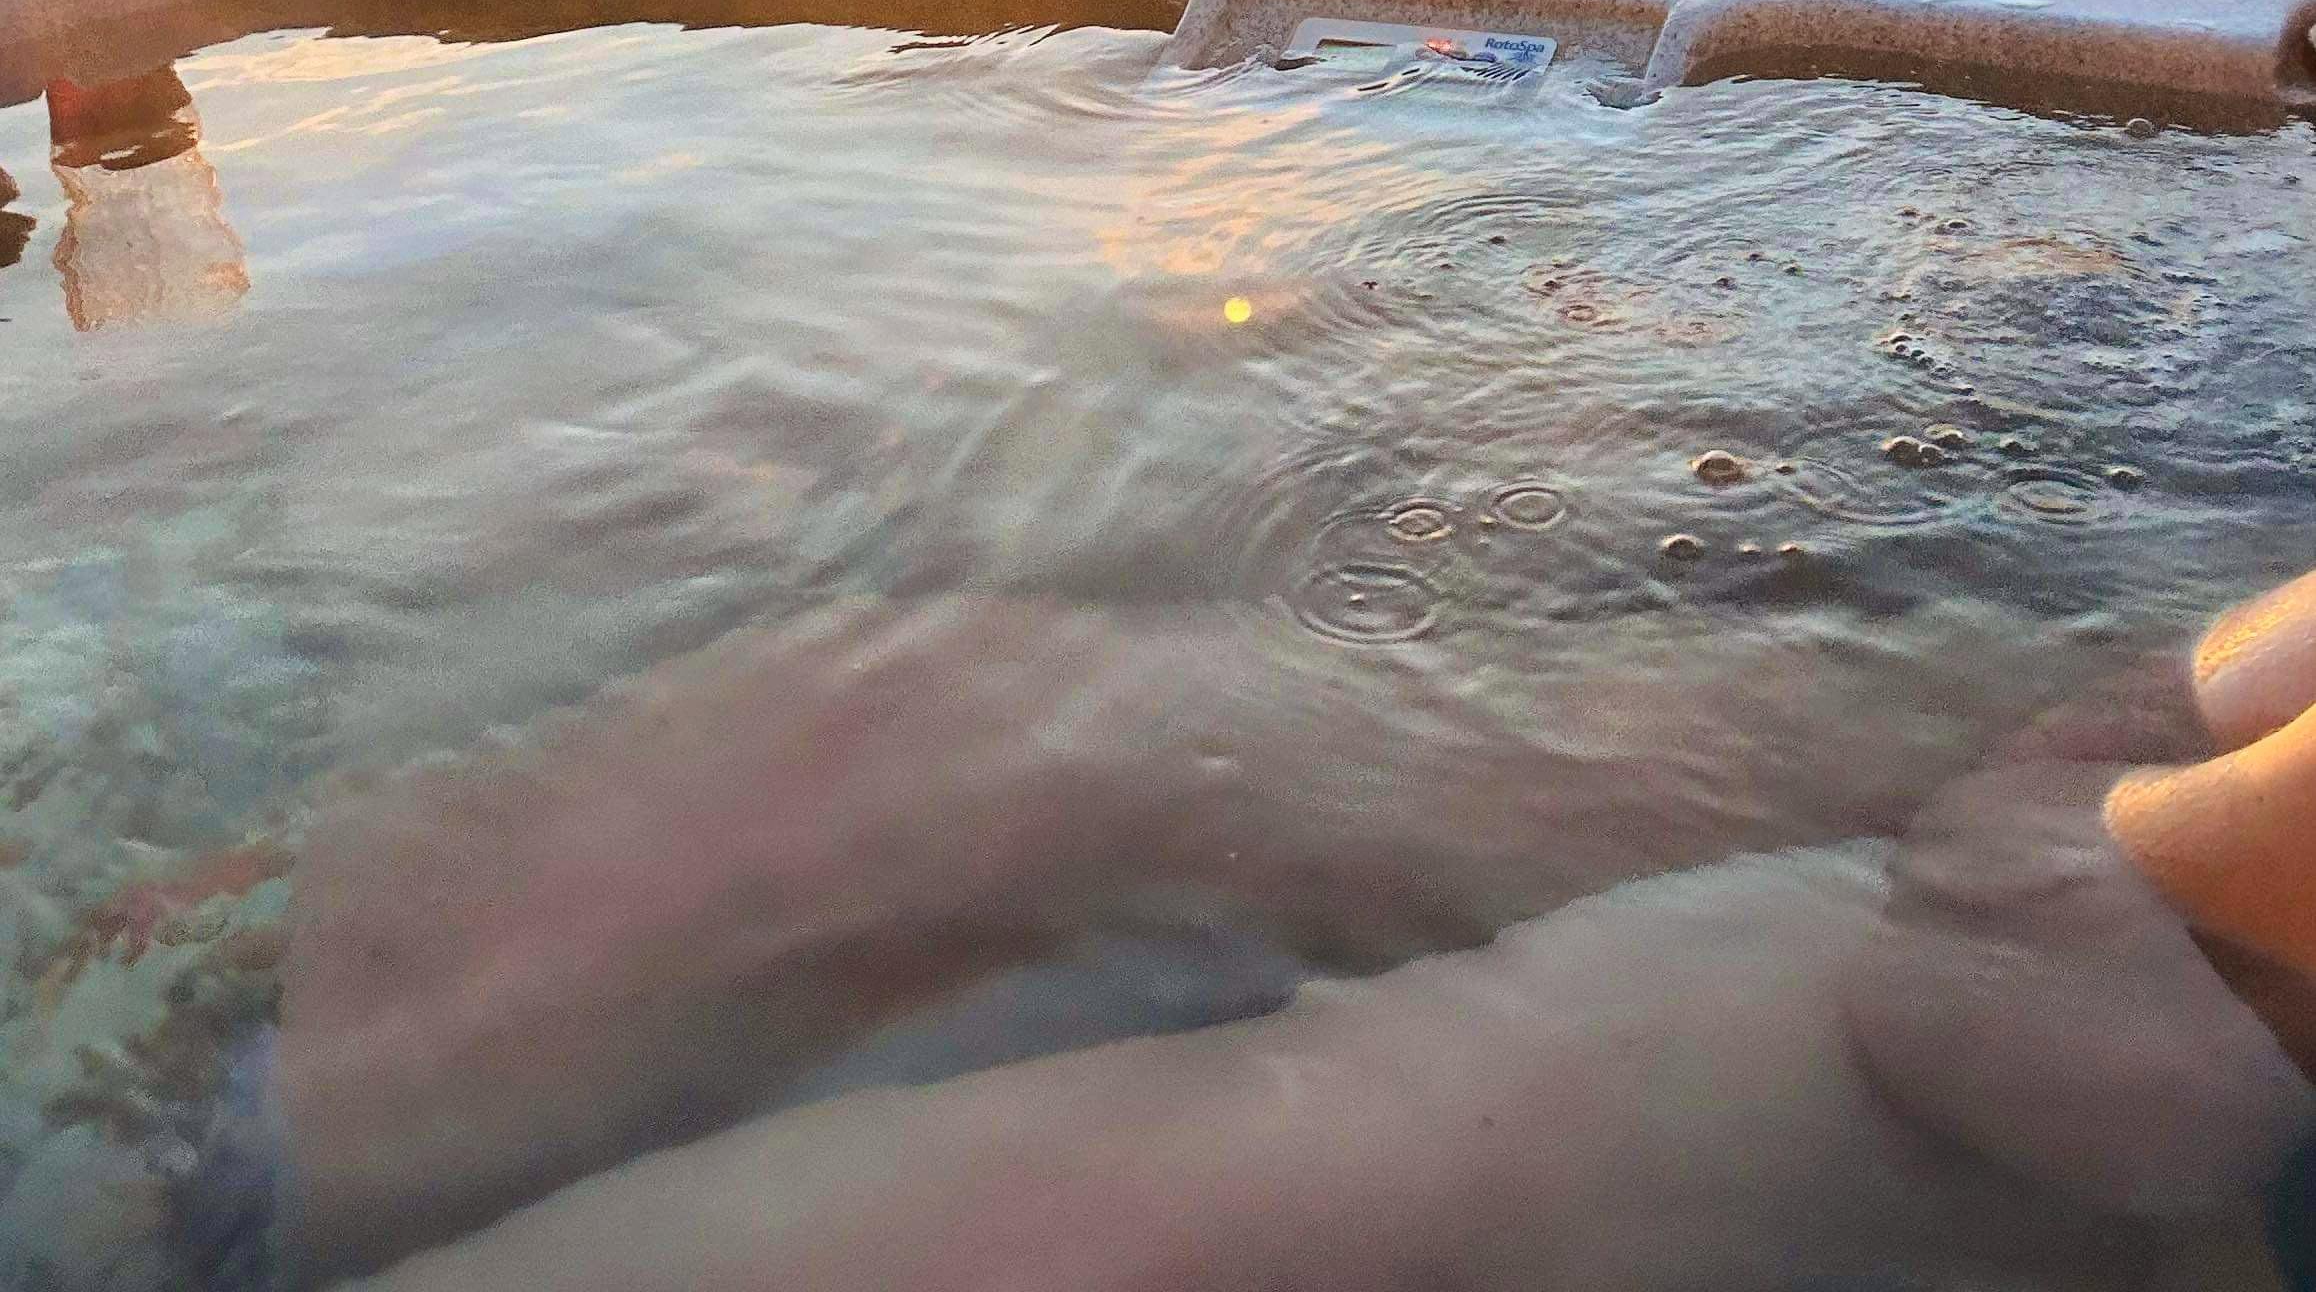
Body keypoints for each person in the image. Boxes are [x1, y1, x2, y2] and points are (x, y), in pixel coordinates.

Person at [177, 571, 2316, 1290]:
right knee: (984, 715)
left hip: (2014, 1033)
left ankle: (191, 1139)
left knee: (1172, 1161)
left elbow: (2036, 990)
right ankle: (223, 1113)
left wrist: (2052, 805)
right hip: (2064, 921)